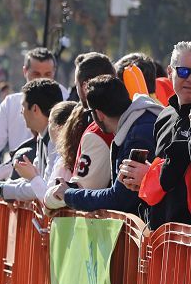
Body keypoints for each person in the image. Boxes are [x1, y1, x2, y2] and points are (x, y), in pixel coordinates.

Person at [48, 74, 161, 215]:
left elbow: (119, 199)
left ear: (99, 114)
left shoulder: (137, 137)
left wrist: (68, 194)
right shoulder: (141, 123)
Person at [118, 41, 191, 227]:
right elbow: (164, 170)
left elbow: (172, 174)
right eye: (183, 71)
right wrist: (140, 181)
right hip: (160, 234)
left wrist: (148, 177)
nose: (189, 78)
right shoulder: (165, 115)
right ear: (170, 72)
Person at [0, 47, 60, 182]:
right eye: (36, 74)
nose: (42, 79)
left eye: (48, 74)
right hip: (17, 186)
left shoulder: (65, 102)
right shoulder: (11, 103)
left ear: (54, 72)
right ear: (25, 71)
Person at [0, 79, 64, 202]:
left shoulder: (56, 139)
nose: (21, 112)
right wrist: (0, 187)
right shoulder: (42, 136)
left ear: (35, 109)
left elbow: (44, 190)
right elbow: (34, 182)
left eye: (23, 107)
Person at [70, 52, 118, 189]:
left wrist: (50, 197)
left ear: (85, 87)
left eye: (76, 85)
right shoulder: (130, 117)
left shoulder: (99, 131)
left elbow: (82, 189)